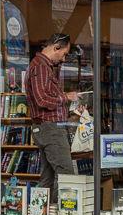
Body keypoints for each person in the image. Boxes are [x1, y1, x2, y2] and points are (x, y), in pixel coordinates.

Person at [24, 33, 81, 180]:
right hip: (51, 129)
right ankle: (63, 203)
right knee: (66, 175)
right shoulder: (41, 67)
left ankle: (44, 203)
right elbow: (42, 99)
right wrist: (66, 97)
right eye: (64, 54)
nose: (63, 59)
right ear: (56, 47)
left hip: (47, 128)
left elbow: (45, 98)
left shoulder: (41, 66)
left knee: (48, 177)